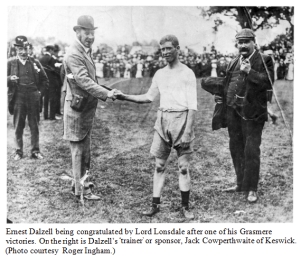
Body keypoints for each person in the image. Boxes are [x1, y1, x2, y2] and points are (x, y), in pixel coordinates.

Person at [115, 35, 197, 219]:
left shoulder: (187, 73)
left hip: (182, 120)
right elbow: (148, 97)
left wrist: (188, 131)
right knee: (159, 165)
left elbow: (192, 105)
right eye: (163, 49)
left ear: (177, 48)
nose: (166, 52)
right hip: (162, 120)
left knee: (183, 167)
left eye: (169, 48)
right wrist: (124, 96)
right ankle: (155, 205)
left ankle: (185, 206)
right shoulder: (160, 73)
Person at [215, 29, 274, 203]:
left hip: (253, 114)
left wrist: (250, 71)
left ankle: (252, 188)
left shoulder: (264, 59)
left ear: (254, 42)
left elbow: (269, 82)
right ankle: (240, 183)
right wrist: (220, 94)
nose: (242, 45)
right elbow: (228, 83)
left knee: (251, 150)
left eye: (246, 42)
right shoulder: (234, 62)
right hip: (234, 112)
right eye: (240, 42)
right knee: (236, 148)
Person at [63, 15, 116, 200]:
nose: (90, 37)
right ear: (77, 32)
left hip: (84, 108)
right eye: (86, 33)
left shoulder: (85, 50)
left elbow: (90, 80)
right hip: (77, 109)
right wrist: (106, 93)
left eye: (92, 33)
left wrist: (106, 90)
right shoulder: (74, 53)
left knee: (85, 150)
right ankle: (80, 192)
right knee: (78, 151)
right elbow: (84, 81)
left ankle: (81, 185)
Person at [7, 36, 49, 160]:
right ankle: (18, 151)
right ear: (16, 49)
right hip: (18, 97)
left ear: (29, 49)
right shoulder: (10, 63)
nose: (23, 52)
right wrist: (9, 79)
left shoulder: (35, 62)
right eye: (20, 49)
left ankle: (35, 151)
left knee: (34, 125)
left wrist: (39, 93)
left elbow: (45, 80)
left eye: (25, 48)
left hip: (33, 96)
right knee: (18, 125)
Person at [39, 45, 60, 120]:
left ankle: (45, 116)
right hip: (52, 81)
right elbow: (54, 70)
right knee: (52, 99)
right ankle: (52, 116)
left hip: (44, 81)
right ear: (50, 50)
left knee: (46, 99)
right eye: (52, 50)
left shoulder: (41, 58)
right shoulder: (51, 59)